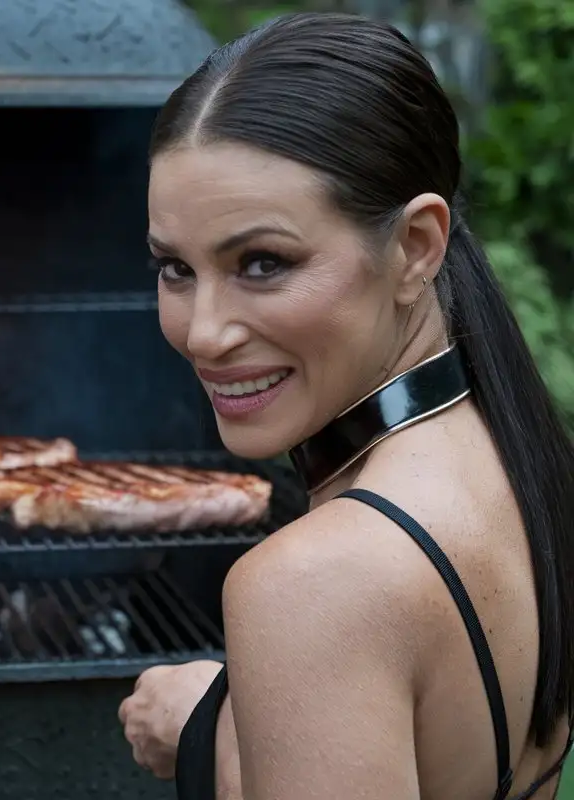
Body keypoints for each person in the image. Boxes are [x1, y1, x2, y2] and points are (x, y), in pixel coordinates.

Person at [118, 12, 574, 800]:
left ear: (415, 247)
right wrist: (233, 720)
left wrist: (205, 738)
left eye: (263, 262)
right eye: (175, 269)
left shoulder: (312, 585)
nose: (204, 332)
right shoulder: (515, 457)